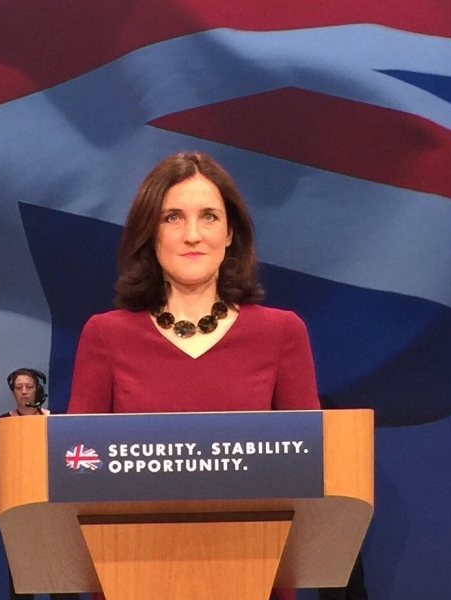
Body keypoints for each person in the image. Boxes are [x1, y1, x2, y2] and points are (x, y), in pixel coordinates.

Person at [66, 151, 321, 600]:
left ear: (230, 233)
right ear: (150, 233)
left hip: (255, 579)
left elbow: (312, 469)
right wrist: (21, 480)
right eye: (172, 218)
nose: (192, 235)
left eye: (209, 216)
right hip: (131, 577)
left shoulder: (281, 333)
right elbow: (76, 464)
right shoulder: (105, 335)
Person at [0, 367, 79, 600]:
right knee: (20, 569)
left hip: (50, 502)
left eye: (29, 387)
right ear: (13, 392)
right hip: (17, 504)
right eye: (19, 388)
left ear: (38, 390)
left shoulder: (52, 420)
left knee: (59, 565)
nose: (24, 392)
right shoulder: (4, 423)